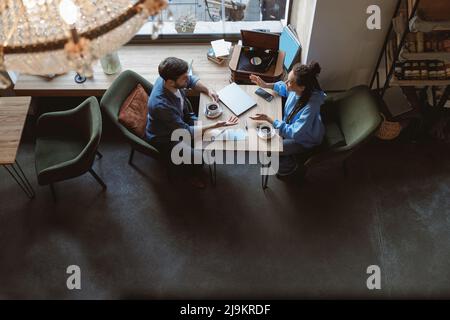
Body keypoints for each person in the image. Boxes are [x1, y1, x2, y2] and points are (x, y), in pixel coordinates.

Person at [146, 57, 238, 188]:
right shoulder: (160, 105)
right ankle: (187, 176)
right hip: (166, 137)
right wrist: (215, 125)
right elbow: (184, 132)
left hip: (181, 119)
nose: (187, 79)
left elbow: (192, 80)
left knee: (211, 133)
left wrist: (208, 90)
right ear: (171, 82)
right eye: (184, 78)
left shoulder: (168, 79)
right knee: (199, 158)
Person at [249, 62, 326, 177]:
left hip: (303, 139)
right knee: (270, 137)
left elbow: (295, 132)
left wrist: (269, 119)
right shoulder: (298, 90)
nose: (286, 83)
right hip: (290, 126)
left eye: (290, 82)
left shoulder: (310, 107)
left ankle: (292, 163)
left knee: (272, 148)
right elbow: (284, 88)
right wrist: (265, 85)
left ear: (302, 87)